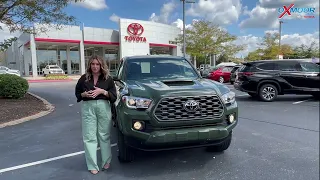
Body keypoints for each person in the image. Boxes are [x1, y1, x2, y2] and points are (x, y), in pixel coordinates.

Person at [75, 55, 117, 175]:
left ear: (101, 65)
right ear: (89, 65)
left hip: (104, 107)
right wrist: (84, 95)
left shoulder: (108, 79)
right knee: (89, 136)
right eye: (93, 64)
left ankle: (106, 161)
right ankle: (92, 165)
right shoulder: (84, 78)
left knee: (104, 135)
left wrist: (102, 91)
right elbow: (77, 93)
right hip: (88, 107)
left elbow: (114, 96)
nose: (95, 66)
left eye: (97, 64)